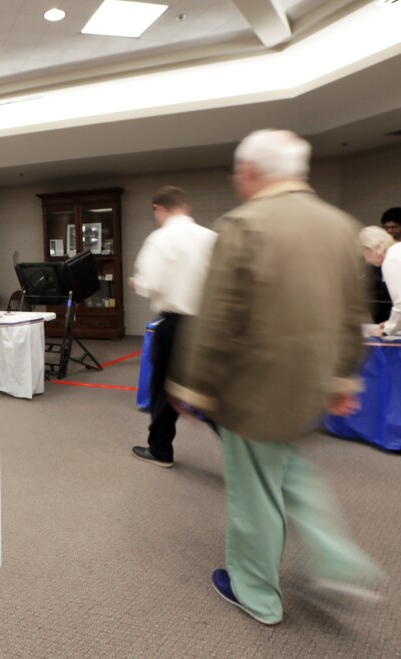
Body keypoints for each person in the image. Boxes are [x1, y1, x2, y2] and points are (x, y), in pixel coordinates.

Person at [166, 130, 383, 625]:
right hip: (309, 383)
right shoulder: (339, 225)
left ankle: (256, 593)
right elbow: (355, 312)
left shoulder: (244, 224)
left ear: (250, 172)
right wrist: (345, 379)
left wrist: (191, 385)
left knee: (254, 494)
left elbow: (218, 319)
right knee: (290, 473)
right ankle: (339, 559)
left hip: (254, 388)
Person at [129, 186, 216, 467]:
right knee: (209, 389)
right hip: (208, 324)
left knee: (164, 388)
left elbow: (151, 283)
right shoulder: (210, 237)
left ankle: (160, 450)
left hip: (175, 324)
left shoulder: (160, 239)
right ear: (185, 208)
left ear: (159, 208)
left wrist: (136, 283)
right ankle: (248, 455)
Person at [359, 225, 401, 337]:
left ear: (371, 248)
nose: (367, 261)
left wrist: (387, 330)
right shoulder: (397, 251)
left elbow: (400, 302)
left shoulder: (391, 259)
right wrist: (394, 324)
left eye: (364, 255)